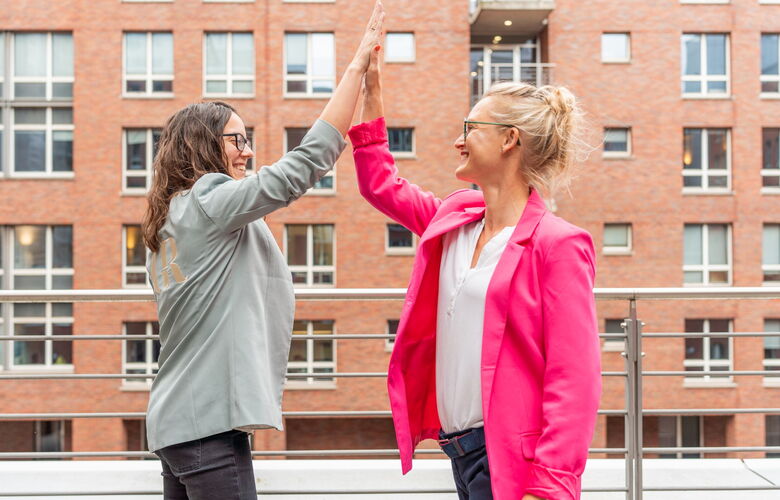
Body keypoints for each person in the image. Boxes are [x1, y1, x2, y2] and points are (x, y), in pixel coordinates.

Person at [140, 3, 384, 498]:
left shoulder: (170, 219)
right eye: (237, 140)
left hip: (177, 426)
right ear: (204, 146)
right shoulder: (209, 201)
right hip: (206, 427)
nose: (248, 150)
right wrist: (356, 70)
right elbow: (303, 165)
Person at [347, 48, 601, 500]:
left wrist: (549, 489)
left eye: (470, 128)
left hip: (511, 464)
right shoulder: (455, 218)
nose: (458, 141)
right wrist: (372, 94)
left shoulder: (558, 244)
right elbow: (380, 186)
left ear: (509, 139)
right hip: (460, 455)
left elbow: (574, 378)